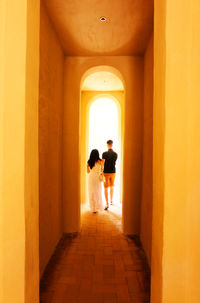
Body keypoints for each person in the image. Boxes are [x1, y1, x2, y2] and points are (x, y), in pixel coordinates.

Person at [102, 140, 118, 210]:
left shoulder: (104, 154)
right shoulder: (115, 154)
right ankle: (111, 201)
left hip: (106, 172)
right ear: (112, 145)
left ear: (107, 145)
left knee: (105, 188)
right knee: (112, 186)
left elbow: (102, 163)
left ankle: (107, 203)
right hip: (113, 171)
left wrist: (101, 170)